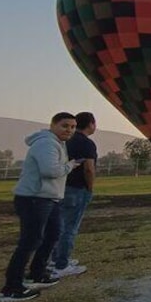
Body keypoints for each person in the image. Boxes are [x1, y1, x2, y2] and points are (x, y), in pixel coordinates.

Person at [0, 113, 82, 302]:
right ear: (52, 125)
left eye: (73, 127)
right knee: (30, 241)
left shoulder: (59, 144)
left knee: (53, 235)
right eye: (65, 125)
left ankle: (37, 273)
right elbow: (50, 170)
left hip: (49, 199)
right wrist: (70, 165)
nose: (69, 130)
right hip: (35, 199)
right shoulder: (46, 143)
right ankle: (11, 288)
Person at [51, 112, 97, 278]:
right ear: (91, 124)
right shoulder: (87, 144)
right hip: (77, 189)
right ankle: (62, 265)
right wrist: (90, 188)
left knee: (59, 225)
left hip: (61, 187)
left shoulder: (64, 141)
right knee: (70, 228)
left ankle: (54, 259)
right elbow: (89, 169)